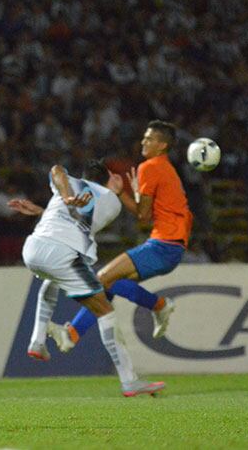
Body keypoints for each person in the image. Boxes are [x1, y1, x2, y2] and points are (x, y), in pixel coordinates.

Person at [13, 160, 165, 397]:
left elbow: (56, 170)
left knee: (51, 280)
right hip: (62, 252)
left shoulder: (70, 183)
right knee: (105, 311)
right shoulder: (113, 202)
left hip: (32, 248)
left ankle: (37, 341)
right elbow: (87, 215)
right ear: (108, 179)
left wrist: (59, 201)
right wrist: (117, 190)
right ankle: (129, 381)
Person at [55, 120, 193, 349]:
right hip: (172, 246)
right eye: (144, 137)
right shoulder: (167, 169)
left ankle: (159, 306)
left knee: (101, 279)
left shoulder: (150, 167)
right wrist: (125, 193)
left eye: (150, 139)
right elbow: (147, 215)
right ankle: (72, 334)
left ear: (163, 145)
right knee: (109, 285)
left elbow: (142, 214)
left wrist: (122, 193)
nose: (144, 141)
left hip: (163, 244)